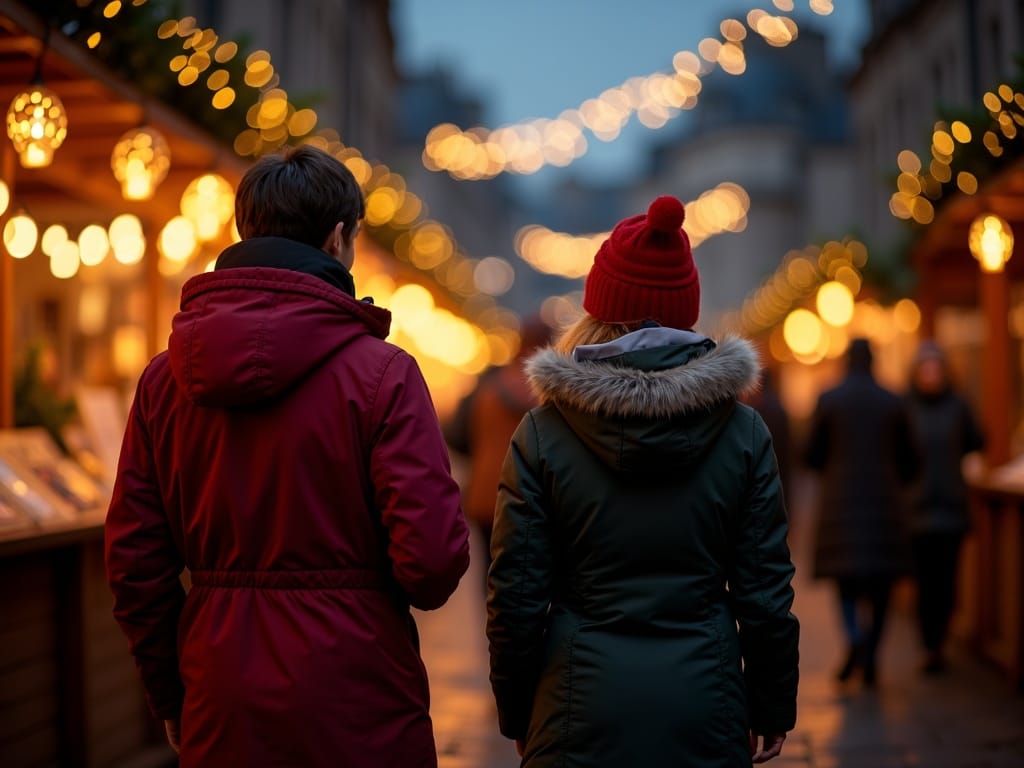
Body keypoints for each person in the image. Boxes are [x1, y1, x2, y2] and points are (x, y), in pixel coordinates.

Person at [105, 146, 470, 768]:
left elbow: (134, 562)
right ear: (338, 239)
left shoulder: (163, 381)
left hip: (220, 695)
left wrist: (173, 696)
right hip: (360, 696)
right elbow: (431, 563)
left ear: (246, 231)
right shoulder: (383, 375)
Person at [487, 196, 799, 767]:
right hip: (707, 704)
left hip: (577, 704)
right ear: (687, 310)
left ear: (597, 305)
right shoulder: (743, 431)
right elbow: (764, 595)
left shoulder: (543, 431)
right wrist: (773, 705)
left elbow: (517, 597)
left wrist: (518, 709)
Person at [804, 338, 918, 687]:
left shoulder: (830, 398)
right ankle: (871, 652)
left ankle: (855, 637)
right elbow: (911, 459)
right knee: (882, 586)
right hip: (885, 505)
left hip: (840, 505)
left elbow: (810, 453)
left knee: (846, 583)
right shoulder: (892, 400)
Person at [905, 341, 983, 673]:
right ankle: (929, 644)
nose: (931, 375)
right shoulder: (906, 408)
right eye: (926, 369)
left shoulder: (959, 407)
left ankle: (941, 640)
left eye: (936, 369)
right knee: (923, 582)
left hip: (951, 508)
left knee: (947, 581)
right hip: (917, 510)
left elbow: (978, 441)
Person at [462, 316, 550, 583]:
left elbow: (460, 435)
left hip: (487, 497)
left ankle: (491, 623)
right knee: (527, 578)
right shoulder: (549, 397)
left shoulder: (488, 390)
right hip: (531, 499)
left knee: (490, 576)